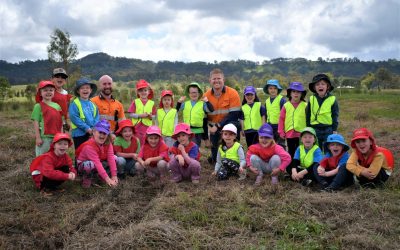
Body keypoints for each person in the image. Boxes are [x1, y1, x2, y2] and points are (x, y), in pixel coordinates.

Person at [204, 68, 241, 164]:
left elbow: (234, 114)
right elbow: (203, 117)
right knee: (216, 160)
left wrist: (218, 126)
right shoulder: (205, 96)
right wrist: (206, 137)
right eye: (214, 79)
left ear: (223, 80)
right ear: (210, 81)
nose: (216, 81)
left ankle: (235, 156)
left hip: (229, 125)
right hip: (213, 129)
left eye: (219, 78)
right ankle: (215, 156)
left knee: (234, 125)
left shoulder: (233, 93)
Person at [75, 120, 118, 188]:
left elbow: (111, 158)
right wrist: (107, 179)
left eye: (105, 133)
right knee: (89, 165)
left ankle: (100, 178)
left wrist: (114, 175)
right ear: (94, 132)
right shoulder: (89, 146)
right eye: (100, 132)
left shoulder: (108, 143)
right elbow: (97, 163)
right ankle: (86, 181)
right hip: (83, 166)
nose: (102, 135)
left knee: (115, 158)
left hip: (97, 163)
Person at [306, 73, 339, 151]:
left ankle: (328, 162)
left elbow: (335, 115)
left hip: (328, 128)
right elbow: (308, 114)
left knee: (328, 148)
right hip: (314, 128)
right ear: (314, 88)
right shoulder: (311, 99)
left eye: (323, 84)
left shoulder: (332, 99)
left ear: (327, 86)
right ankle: (318, 163)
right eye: (317, 84)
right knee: (316, 149)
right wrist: (308, 128)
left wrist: (334, 129)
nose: (320, 86)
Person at [176, 82, 214, 147]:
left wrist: (207, 101)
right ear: (189, 94)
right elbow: (176, 110)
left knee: (195, 148)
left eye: (195, 92)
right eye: (192, 92)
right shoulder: (185, 104)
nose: (194, 94)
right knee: (186, 147)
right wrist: (179, 102)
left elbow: (211, 110)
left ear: (199, 93)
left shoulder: (203, 104)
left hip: (198, 131)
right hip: (186, 131)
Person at [31, 80, 63, 156]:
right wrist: (38, 137)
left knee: (55, 157)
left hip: (56, 137)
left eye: (51, 90)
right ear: (40, 93)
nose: (48, 92)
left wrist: (61, 136)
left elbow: (60, 122)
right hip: (44, 138)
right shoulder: (38, 106)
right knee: (42, 157)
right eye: (45, 90)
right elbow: (36, 122)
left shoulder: (57, 106)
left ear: (54, 92)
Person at [278, 82, 307, 159]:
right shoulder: (286, 106)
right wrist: (281, 131)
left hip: (302, 133)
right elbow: (281, 119)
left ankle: (299, 166)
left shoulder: (305, 105)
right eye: (293, 91)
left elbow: (308, 119)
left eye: (298, 92)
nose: (296, 94)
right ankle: (291, 166)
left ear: (302, 94)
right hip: (289, 133)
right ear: (290, 93)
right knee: (291, 150)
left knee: (301, 150)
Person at [68, 77, 99, 149]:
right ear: (78, 91)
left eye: (87, 88)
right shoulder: (75, 103)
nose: (85, 89)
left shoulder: (93, 104)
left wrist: (93, 129)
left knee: (91, 152)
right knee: (80, 153)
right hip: (79, 134)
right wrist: (87, 128)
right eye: (82, 88)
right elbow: (74, 118)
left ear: (91, 90)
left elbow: (96, 117)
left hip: (92, 133)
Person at [128, 79, 156, 146]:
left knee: (146, 143)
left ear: (149, 92)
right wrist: (140, 115)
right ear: (138, 92)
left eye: (145, 90)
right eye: (141, 90)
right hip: (136, 127)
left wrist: (150, 117)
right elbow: (130, 114)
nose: (143, 92)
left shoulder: (152, 103)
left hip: (147, 128)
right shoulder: (135, 102)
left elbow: (154, 117)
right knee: (136, 143)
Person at [263, 79, 286, 147]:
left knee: (280, 145)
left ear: (278, 89)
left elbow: (285, 115)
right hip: (270, 127)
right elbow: (266, 115)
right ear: (268, 90)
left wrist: (283, 128)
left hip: (279, 127)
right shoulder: (266, 101)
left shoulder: (281, 100)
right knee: (271, 145)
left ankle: (282, 157)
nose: (272, 90)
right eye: (270, 88)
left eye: (275, 88)